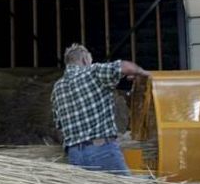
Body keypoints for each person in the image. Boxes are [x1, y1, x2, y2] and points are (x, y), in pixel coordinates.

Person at [51, 43, 149, 175]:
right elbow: (124, 66)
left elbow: (59, 126)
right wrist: (142, 73)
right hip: (102, 150)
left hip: (75, 156)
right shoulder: (93, 72)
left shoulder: (57, 88)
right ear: (85, 59)